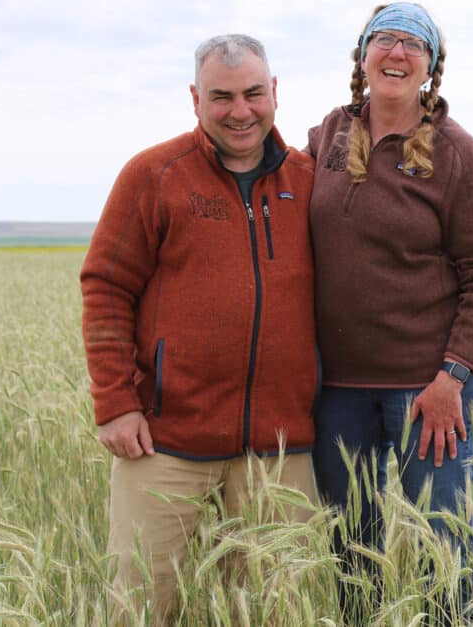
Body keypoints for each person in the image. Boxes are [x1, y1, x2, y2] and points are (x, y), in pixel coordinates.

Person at [80, 34, 319, 625]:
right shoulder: (154, 175)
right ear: (195, 98)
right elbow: (106, 286)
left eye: (253, 94)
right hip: (165, 443)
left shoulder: (310, 180)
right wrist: (115, 402)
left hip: (280, 449)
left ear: (275, 94)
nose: (241, 111)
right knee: (138, 607)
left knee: (278, 610)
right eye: (222, 97)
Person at [307, 2, 473, 624]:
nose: (396, 53)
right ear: (363, 54)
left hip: (427, 390)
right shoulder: (327, 136)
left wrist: (452, 378)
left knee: (444, 546)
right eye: (385, 40)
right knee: (351, 551)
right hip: (339, 390)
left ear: (430, 66)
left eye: (413, 44)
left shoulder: (459, 154)